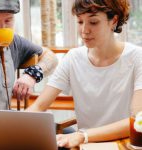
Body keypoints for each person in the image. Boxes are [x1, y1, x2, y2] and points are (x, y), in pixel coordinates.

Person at [26, 0, 142, 149]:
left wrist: (83, 136)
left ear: (114, 20)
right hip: (85, 146)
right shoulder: (73, 58)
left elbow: (137, 120)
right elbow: (39, 106)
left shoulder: (137, 57)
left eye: (93, 22)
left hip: (124, 144)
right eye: (80, 21)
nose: (84, 30)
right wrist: (13, 128)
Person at [0, 0, 58, 110]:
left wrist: (32, 74)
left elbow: (51, 58)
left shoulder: (15, 43)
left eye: (8, 20)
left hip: (3, 121)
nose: (2, 27)